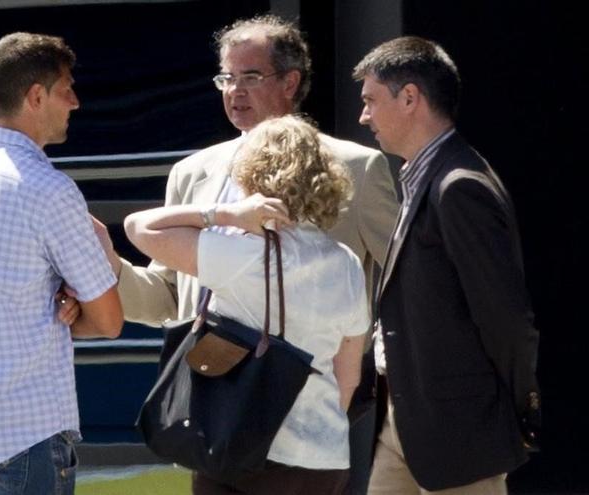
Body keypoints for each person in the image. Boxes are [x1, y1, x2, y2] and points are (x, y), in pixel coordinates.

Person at [93, 13, 399, 494]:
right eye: (226, 78)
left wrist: (384, 368)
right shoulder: (193, 172)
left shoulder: (356, 168)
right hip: (217, 411)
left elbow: (407, 282)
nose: (234, 90)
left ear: (290, 81)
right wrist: (105, 267)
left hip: (309, 415)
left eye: (250, 77)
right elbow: (169, 297)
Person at [0, 32, 123, 494]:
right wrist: (65, 312)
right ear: (35, 96)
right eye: (66, 88)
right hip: (22, 441)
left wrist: (47, 308)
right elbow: (109, 321)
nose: (76, 101)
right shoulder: (48, 189)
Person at [125, 115, 369, 494]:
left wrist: (220, 213)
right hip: (323, 459)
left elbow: (138, 227)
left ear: (252, 177)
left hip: (237, 449)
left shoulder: (242, 254)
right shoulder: (346, 262)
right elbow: (348, 376)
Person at [353, 36, 541, 494]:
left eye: (371, 101)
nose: (364, 116)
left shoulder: (459, 186)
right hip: (402, 423)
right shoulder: (423, 176)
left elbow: (506, 319)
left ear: (411, 98)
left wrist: (517, 407)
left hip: (460, 433)